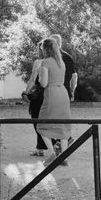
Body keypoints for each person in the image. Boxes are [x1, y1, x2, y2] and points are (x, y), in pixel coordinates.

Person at [37, 37, 72, 167]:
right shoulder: (61, 61)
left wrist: (40, 76)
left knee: (42, 124)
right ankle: (64, 156)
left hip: (52, 93)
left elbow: (44, 83)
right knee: (62, 125)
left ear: (46, 49)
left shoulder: (45, 62)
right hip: (63, 93)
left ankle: (52, 153)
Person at [22, 41, 48, 157]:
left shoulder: (39, 62)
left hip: (39, 96)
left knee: (37, 120)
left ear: (42, 50)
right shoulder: (57, 62)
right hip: (52, 94)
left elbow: (33, 80)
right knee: (49, 120)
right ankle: (43, 147)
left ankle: (41, 148)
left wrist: (25, 93)